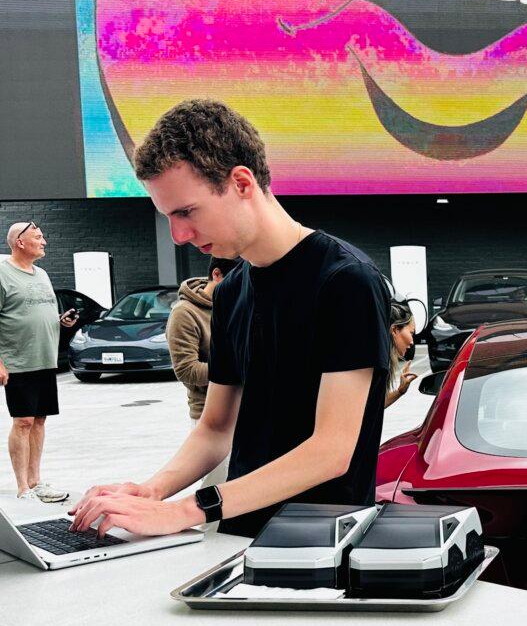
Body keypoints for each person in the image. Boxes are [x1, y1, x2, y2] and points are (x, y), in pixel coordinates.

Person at [69, 98, 390, 538]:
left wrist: (186, 510)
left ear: (241, 182)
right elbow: (216, 427)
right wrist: (150, 492)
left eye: (186, 212)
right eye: (168, 218)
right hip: (237, 537)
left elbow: (331, 450)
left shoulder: (345, 280)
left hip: (322, 542)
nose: (179, 236)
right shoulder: (233, 290)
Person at [0, 222, 76, 502]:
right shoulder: (2, 274)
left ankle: (36, 481)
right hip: (18, 361)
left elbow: (34, 313)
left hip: (45, 358)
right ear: (20, 242)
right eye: (38, 237)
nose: (44, 241)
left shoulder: (42, 274)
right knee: (23, 421)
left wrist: (61, 322)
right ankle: (22, 488)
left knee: (40, 420)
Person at [166, 256, 240, 487]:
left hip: (248, 410)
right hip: (211, 414)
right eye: (236, 283)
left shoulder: (237, 305)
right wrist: (239, 369)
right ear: (217, 275)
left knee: (244, 487)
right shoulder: (185, 313)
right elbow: (187, 370)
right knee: (216, 489)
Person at [384, 300, 419, 409]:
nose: (412, 341)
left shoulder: (383, 358)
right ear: (394, 330)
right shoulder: (378, 362)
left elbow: (375, 404)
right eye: (411, 333)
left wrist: (400, 391)